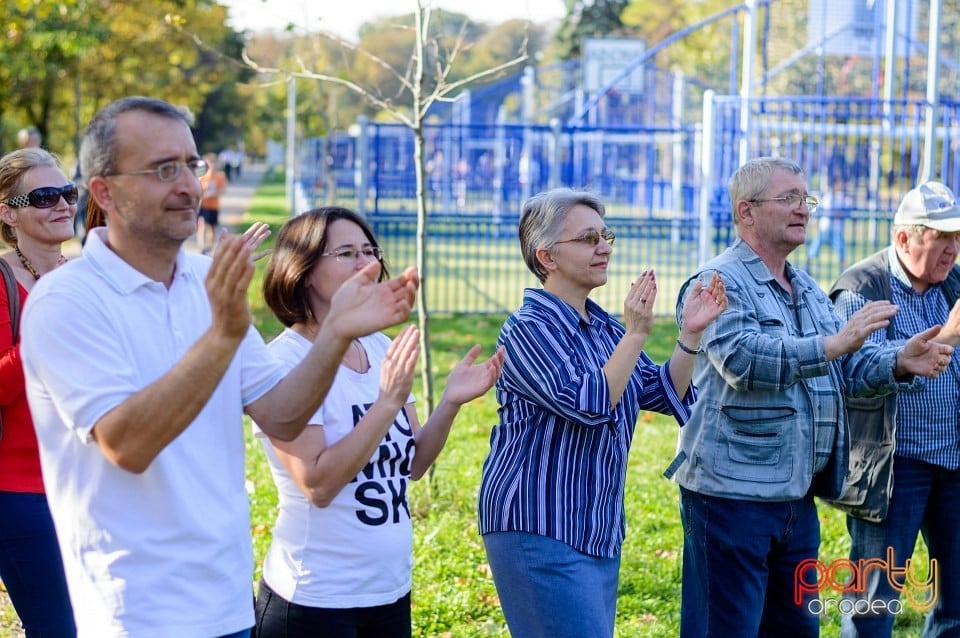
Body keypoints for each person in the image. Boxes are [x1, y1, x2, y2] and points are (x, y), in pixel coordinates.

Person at [18, 96, 419, 637]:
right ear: (104, 192)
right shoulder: (67, 301)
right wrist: (223, 336)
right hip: (134, 612)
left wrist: (337, 333)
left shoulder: (206, 281)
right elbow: (126, 445)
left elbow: (281, 415)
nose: (188, 184)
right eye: (164, 169)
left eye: (191, 164)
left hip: (226, 602)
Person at [666, 157, 954, 638]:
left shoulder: (805, 288)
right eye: (788, 199)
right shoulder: (716, 282)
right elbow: (743, 361)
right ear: (746, 212)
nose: (803, 209)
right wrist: (833, 344)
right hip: (731, 497)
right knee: (726, 627)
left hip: (795, 497)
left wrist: (900, 361)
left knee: (796, 629)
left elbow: (843, 368)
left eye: (806, 199)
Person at [477, 187, 728, 638]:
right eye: (589, 238)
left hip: (594, 525)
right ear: (547, 256)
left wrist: (689, 334)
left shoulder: (604, 326)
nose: (605, 247)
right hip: (539, 525)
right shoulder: (527, 330)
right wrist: (635, 335)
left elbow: (663, 392)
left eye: (605, 235)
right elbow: (590, 404)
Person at [253, 207, 505, 638]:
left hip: (388, 593)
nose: (367, 264)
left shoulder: (378, 346)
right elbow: (318, 484)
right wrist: (385, 404)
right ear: (306, 271)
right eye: (347, 253)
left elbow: (411, 465)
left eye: (370, 251)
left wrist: (450, 401)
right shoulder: (283, 362)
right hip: (315, 600)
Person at [828, 180, 960, 636]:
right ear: (904, 238)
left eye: (958, 238)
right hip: (892, 467)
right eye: (941, 237)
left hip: (954, 462)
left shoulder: (954, 284)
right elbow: (851, 372)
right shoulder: (863, 286)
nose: (953, 249)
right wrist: (943, 341)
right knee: (874, 601)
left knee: (957, 601)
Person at [0, 148, 77, 636]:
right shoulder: (3, 282)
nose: (63, 205)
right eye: (45, 197)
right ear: (8, 212)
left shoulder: (81, 278)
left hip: (88, 486)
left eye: (67, 193)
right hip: (21, 491)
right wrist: (41, 333)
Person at [807, 174, 849, 272]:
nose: (841, 185)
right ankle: (808, 265)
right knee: (816, 246)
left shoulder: (839, 196)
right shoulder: (829, 196)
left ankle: (844, 269)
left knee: (840, 248)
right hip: (826, 228)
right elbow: (831, 211)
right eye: (840, 183)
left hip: (835, 228)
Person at [198, 152, 228, 254]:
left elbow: (223, 190)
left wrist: (213, 193)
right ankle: (202, 247)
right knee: (202, 225)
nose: (212, 165)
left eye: (214, 163)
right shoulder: (202, 176)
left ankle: (209, 247)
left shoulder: (220, 176)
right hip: (203, 205)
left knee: (211, 227)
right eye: (210, 163)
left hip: (214, 206)